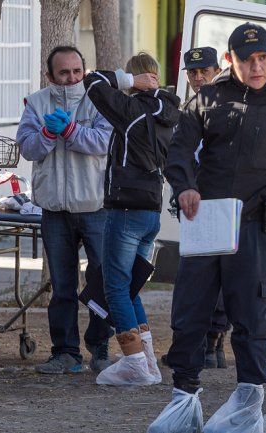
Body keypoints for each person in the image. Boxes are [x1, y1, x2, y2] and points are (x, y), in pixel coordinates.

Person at [153, 23, 266, 428]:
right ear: (230, 59)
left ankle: (249, 405)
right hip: (208, 220)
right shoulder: (207, 98)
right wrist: (184, 187)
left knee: (252, 316)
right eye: (248, 59)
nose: (257, 67)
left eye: (263, 58)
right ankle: (184, 399)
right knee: (190, 312)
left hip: (257, 226)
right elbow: (179, 151)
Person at [82, 53, 180, 386]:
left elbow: (92, 79)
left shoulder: (134, 110)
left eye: (131, 76)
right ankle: (148, 363)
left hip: (126, 207)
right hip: (151, 208)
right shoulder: (168, 112)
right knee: (129, 286)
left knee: (114, 288)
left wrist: (125, 81)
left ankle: (135, 363)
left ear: (138, 78)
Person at [17, 46, 114, 374]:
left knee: (102, 283)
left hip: (96, 206)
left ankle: (100, 346)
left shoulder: (99, 98)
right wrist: (45, 133)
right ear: (50, 76)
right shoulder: (36, 102)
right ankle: (65, 353)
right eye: (64, 73)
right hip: (54, 209)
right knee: (62, 287)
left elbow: (105, 142)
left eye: (77, 71)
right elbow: (27, 149)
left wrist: (71, 131)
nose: (72, 78)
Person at [184, 46, 230, 369]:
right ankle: (203, 343)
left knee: (225, 276)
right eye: (193, 73)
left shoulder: (229, 105)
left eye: (204, 72)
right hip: (196, 201)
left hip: (222, 200)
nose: (199, 78)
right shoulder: (189, 108)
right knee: (199, 276)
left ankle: (216, 340)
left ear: (217, 71)